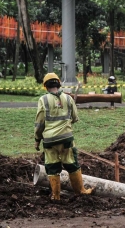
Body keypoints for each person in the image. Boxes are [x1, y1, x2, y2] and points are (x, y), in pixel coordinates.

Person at [34, 73, 93, 201]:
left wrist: (37, 140)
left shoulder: (43, 100)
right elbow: (75, 118)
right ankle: (81, 192)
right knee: (72, 164)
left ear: (45, 86)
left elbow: (39, 123)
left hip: (49, 141)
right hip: (66, 138)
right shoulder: (68, 98)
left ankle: (56, 196)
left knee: (52, 166)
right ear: (59, 84)